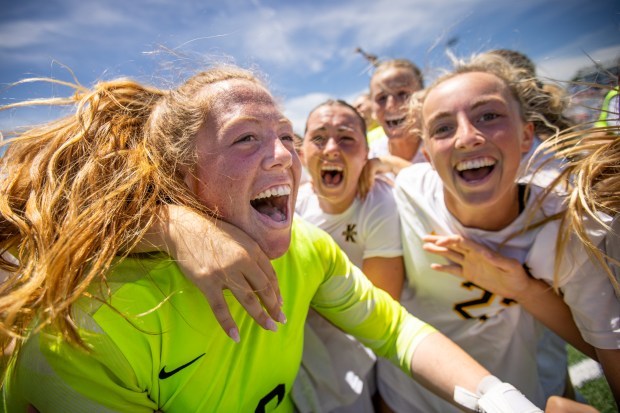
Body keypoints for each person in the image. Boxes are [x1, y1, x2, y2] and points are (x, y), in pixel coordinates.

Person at [0, 65, 542, 412]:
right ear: (181, 173)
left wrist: (502, 401)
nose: (283, 155)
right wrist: (167, 223)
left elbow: (395, 331)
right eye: (246, 138)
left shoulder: (307, 248)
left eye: (286, 135)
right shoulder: (94, 322)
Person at [374, 53, 620, 412]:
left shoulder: (565, 222)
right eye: (443, 127)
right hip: (408, 399)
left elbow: (602, 345)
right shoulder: (408, 190)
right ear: (426, 152)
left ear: (526, 137)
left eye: (488, 116)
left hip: (515, 398)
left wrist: (519, 287)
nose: (467, 137)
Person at [292, 99, 405, 412]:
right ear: (302, 154)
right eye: (318, 138)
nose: (331, 148)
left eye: (346, 137)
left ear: (367, 152)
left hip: (360, 361)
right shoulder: (292, 207)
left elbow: (380, 305)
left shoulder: (379, 200)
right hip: (302, 362)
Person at [368, 59, 427, 165]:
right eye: (382, 98)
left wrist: (392, 166)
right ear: (372, 110)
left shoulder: (444, 149)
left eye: (403, 94)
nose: (391, 105)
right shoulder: (369, 155)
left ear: (423, 99)